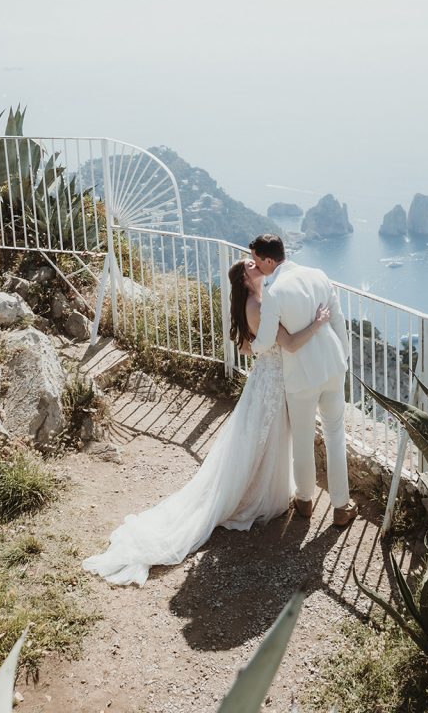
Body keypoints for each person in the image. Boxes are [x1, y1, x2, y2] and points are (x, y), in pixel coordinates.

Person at [82, 257, 330, 586]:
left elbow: (247, 348)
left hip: (264, 380)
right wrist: (317, 322)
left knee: (259, 438)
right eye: (251, 265)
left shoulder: (252, 304)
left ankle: (258, 487)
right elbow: (292, 343)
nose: (256, 264)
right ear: (245, 280)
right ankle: (253, 494)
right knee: (265, 438)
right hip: (272, 383)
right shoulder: (259, 305)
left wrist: (265, 349)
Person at [249, 234, 358, 528]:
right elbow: (338, 321)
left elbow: (266, 339)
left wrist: (249, 347)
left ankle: (305, 501)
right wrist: (343, 358)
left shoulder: (274, 291)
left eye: (257, 260)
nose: (255, 265)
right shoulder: (318, 275)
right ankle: (341, 506)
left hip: (301, 375)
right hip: (333, 367)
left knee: (302, 437)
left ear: (268, 260)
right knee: (336, 436)